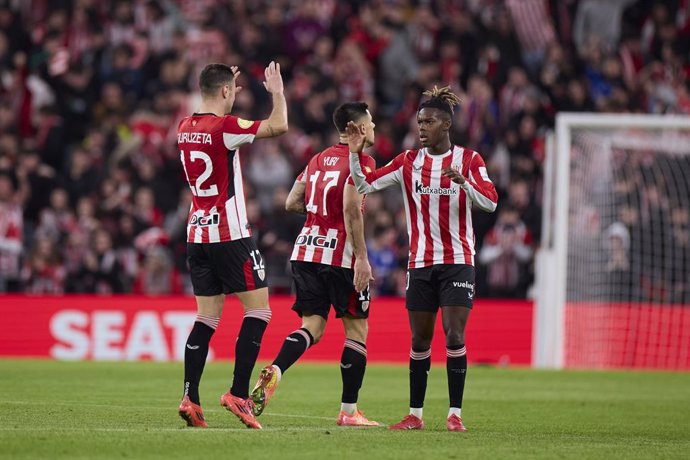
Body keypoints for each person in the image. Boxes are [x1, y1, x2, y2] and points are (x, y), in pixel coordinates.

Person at [346, 86, 498, 432]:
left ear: (446, 124)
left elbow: (490, 202)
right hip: (421, 263)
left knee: (454, 335)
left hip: (459, 260)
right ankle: (415, 415)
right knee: (419, 341)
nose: (422, 128)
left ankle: (454, 414)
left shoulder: (470, 161)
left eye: (428, 121)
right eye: (419, 122)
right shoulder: (408, 162)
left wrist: (465, 185)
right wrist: (356, 155)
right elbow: (366, 184)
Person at [250, 102, 379, 427]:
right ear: (359, 128)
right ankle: (349, 412)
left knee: (313, 327)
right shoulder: (362, 161)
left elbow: (292, 201)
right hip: (342, 257)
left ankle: (276, 368)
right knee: (356, 330)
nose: (375, 127)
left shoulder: (317, 159)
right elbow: (352, 211)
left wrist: (318, 217)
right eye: (371, 122)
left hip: (305, 251)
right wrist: (362, 257)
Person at [176, 62, 288, 430]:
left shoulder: (184, 127)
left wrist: (224, 85)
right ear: (225, 91)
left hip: (197, 234)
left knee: (206, 318)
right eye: (234, 90)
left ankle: (190, 398)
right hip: (230, 235)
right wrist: (276, 92)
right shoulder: (225, 127)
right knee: (259, 313)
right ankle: (238, 394)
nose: (236, 94)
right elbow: (278, 126)